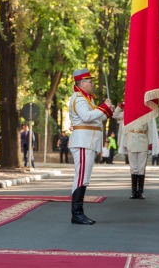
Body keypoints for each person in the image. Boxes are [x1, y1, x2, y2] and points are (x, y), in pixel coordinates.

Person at [67, 68, 114, 225]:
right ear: (82, 83)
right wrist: (103, 108)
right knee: (81, 177)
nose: (92, 84)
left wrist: (106, 111)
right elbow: (86, 117)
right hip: (82, 142)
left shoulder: (87, 99)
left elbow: (96, 119)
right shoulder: (80, 98)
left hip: (87, 142)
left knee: (84, 178)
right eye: (89, 81)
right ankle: (77, 214)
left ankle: (78, 213)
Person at [112, 103, 159, 200]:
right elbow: (115, 115)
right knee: (133, 167)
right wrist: (121, 105)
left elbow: (151, 128)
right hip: (131, 140)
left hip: (143, 140)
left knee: (141, 167)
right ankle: (134, 192)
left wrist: (150, 144)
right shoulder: (128, 113)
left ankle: (140, 192)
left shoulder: (146, 113)